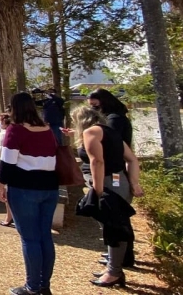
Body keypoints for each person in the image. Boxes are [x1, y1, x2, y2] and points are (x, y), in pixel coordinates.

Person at [72, 105, 143, 288]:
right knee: (114, 226)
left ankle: (114, 272)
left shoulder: (90, 133)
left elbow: (97, 161)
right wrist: (134, 183)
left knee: (113, 228)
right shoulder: (109, 132)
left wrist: (97, 189)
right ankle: (114, 268)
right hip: (121, 183)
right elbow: (132, 159)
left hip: (108, 184)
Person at [0, 93, 59, 295]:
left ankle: (32, 286)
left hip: (24, 188)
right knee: (44, 236)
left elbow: (7, 163)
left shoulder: (16, 130)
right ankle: (44, 284)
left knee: (30, 238)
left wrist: (1, 185)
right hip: (49, 188)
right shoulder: (48, 129)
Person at [86, 88, 135, 267]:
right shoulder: (116, 118)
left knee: (115, 219)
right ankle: (120, 258)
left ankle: (121, 260)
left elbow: (104, 149)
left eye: (95, 106)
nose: (94, 111)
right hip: (114, 171)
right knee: (118, 217)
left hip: (111, 173)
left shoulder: (112, 121)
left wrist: (98, 188)